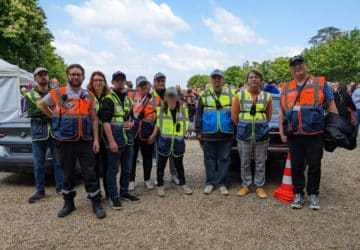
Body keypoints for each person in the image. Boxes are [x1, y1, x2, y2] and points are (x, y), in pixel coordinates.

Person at [39, 64, 106, 219]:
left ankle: (96, 202)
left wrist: (96, 140)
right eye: (73, 74)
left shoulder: (88, 95)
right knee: (67, 172)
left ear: (83, 77)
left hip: (85, 140)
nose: (75, 77)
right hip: (65, 140)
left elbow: (94, 119)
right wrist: (54, 117)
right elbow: (42, 104)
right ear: (67, 75)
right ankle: (68, 203)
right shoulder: (58, 92)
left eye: (78, 74)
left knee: (90, 172)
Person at [279, 56, 338, 210]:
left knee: (314, 165)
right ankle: (298, 193)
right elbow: (281, 111)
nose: (297, 67)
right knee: (297, 165)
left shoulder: (319, 83)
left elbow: (330, 103)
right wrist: (282, 132)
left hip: (315, 133)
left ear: (306, 65)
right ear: (290, 69)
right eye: (294, 65)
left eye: (300, 64)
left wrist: (336, 127)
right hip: (294, 134)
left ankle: (313, 194)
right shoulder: (285, 87)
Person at [99, 71, 140, 209]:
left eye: (122, 80)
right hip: (115, 141)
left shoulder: (128, 99)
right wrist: (111, 141)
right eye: (117, 80)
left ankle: (124, 192)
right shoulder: (109, 99)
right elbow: (105, 122)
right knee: (113, 170)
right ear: (113, 82)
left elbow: (132, 118)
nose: (120, 82)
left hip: (128, 140)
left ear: (124, 81)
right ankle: (113, 197)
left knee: (127, 169)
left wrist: (132, 124)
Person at [232, 70, 272, 199]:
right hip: (244, 134)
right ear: (247, 80)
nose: (254, 79)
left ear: (260, 80)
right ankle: (246, 185)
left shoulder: (267, 96)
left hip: (261, 134)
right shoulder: (239, 96)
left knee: (261, 162)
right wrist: (245, 126)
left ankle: (259, 186)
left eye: (256, 77)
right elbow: (234, 116)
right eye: (251, 77)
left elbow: (269, 116)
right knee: (244, 162)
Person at [25, 67, 63, 203]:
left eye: (45, 74)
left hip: (55, 132)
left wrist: (44, 112)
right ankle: (40, 191)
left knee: (58, 163)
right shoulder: (29, 94)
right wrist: (49, 111)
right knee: (38, 164)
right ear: (35, 78)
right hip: (38, 134)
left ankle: (60, 188)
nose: (43, 77)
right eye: (40, 75)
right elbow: (32, 113)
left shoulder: (55, 93)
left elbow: (61, 110)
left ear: (48, 77)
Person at [195, 69, 235, 196]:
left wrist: (235, 130)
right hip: (208, 133)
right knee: (209, 160)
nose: (217, 80)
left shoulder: (232, 94)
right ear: (211, 80)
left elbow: (236, 113)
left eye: (219, 78)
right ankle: (210, 183)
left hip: (226, 132)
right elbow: (198, 114)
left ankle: (223, 184)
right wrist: (198, 131)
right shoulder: (204, 94)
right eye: (214, 78)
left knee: (224, 159)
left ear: (223, 80)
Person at [148, 87, 193, 197]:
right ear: (166, 98)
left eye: (173, 96)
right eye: (169, 96)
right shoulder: (161, 111)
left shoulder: (183, 111)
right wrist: (153, 135)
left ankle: (183, 184)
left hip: (177, 144)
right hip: (164, 143)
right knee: (160, 167)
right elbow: (158, 125)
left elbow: (187, 125)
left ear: (177, 98)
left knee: (179, 166)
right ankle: (160, 185)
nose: (171, 98)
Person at [150, 72, 179, 186]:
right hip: (157, 129)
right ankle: (159, 177)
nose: (161, 83)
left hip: (171, 129)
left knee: (173, 153)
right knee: (159, 155)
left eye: (162, 81)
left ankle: (174, 175)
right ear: (154, 82)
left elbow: (178, 107)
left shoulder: (170, 93)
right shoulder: (151, 96)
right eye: (158, 81)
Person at [87, 71, 111, 199]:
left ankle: (109, 191)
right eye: (95, 80)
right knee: (94, 166)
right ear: (92, 82)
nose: (98, 82)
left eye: (101, 80)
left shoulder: (109, 96)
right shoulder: (87, 96)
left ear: (104, 82)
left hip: (106, 135)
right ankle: (96, 192)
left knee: (107, 165)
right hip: (92, 135)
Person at [129, 76, 156, 190]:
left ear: (149, 85)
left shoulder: (154, 99)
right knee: (132, 158)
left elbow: (158, 119)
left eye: (145, 84)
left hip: (147, 133)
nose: (144, 87)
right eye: (141, 85)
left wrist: (154, 134)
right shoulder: (130, 97)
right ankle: (131, 180)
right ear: (137, 87)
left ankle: (147, 180)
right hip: (133, 133)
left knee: (147, 158)